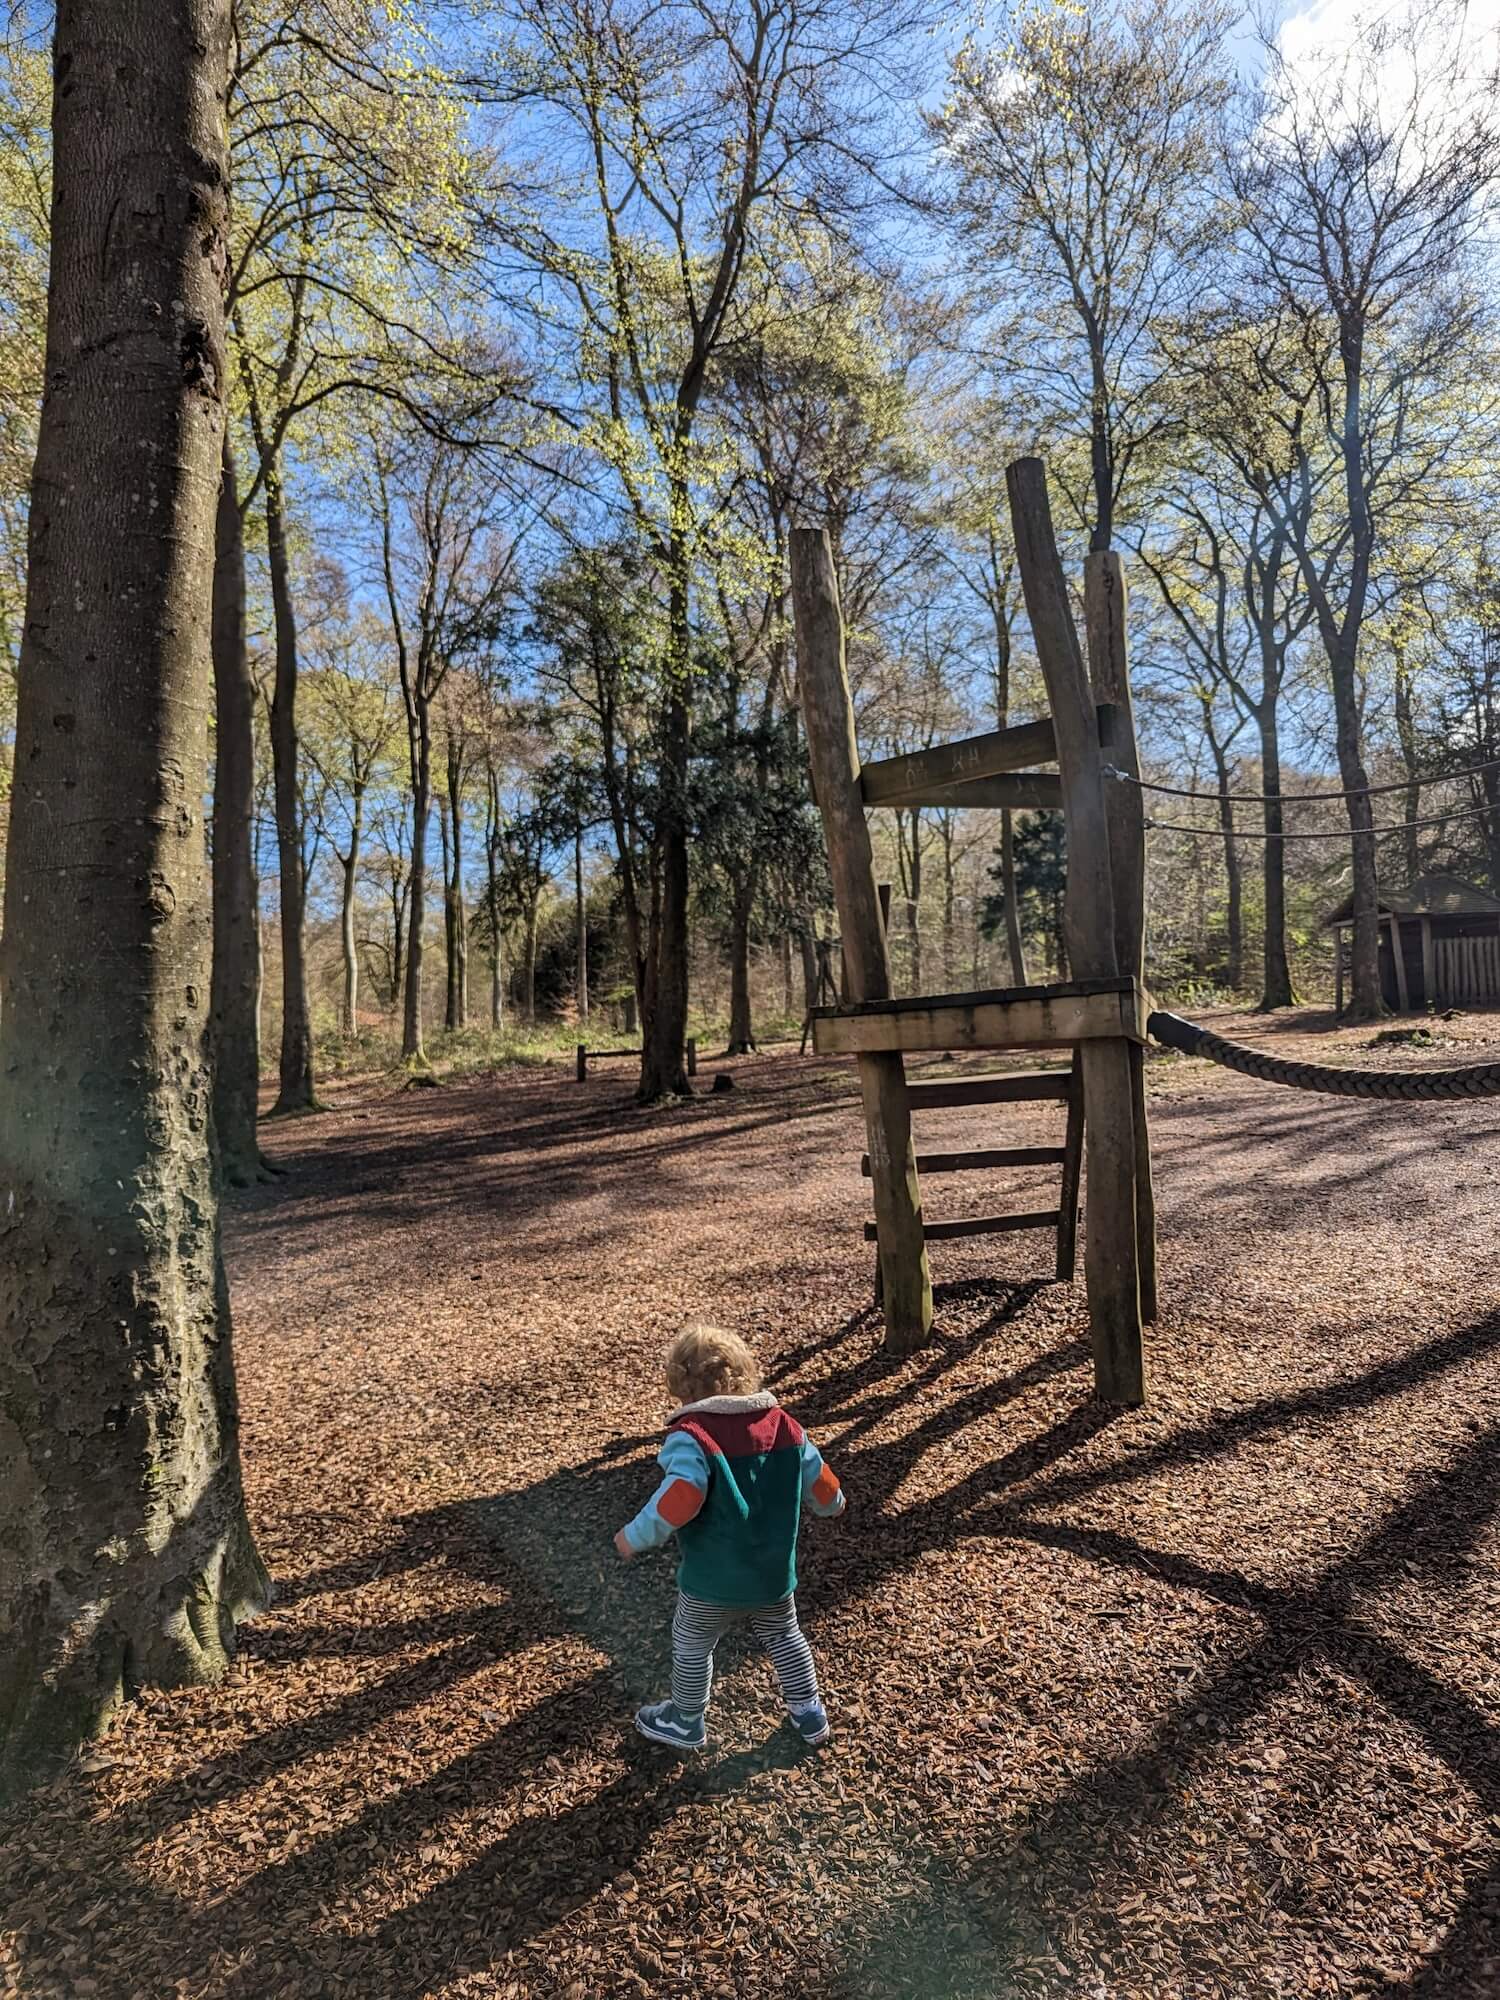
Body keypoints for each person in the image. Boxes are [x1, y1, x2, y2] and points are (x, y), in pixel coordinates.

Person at [614, 1322, 846, 1750]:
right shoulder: (784, 1426)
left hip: (712, 1580)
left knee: (691, 1642)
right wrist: (834, 1503)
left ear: (681, 1385)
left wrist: (635, 1535)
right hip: (772, 1574)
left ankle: (685, 1720)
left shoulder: (694, 1436)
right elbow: (819, 1479)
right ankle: (809, 1711)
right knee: (784, 1635)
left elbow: (681, 1495)